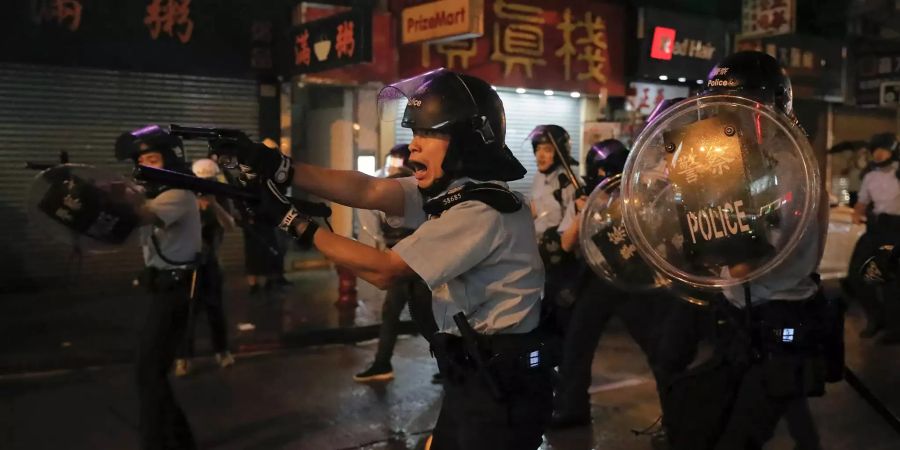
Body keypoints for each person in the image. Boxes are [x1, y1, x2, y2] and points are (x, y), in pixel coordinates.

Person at [227, 69, 552, 449]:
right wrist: (280, 167)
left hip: (501, 394)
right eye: (415, 132)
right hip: (474, 380)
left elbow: (384, 271)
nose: (414, 145)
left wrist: (293, 223)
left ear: (467, 141)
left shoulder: (482, 209)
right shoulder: (457, 193)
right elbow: (368, 188)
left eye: (430, 133)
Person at [657, 51, 837, 450]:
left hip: (778, 316)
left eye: (739, 107)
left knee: (739, 433)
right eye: (720, 107)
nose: (727, 117)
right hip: (743, 318)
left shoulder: (786, 167)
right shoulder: (747, 160)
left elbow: (739, 263)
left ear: (769, 107)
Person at [115, 125, 201, 450]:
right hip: (161, 289)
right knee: (152, 372)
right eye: (143, 161)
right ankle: (181, 441)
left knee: (148, 372)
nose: (148, 165)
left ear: (169, 159)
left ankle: (156, 443)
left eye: (153, 158)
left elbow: (138, 216)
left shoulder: (177, 194)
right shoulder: (156, 194)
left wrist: (109, 194)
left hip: (175, 291)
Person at [354, 144, 437, 382]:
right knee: (391, 313)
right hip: (398, 263)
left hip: (420, 267)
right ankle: (382, 363)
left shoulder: (425, 195)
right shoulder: (391, 197)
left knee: (430, 318)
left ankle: (450, 364)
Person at [174, 158, 237, 377]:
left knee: (215, 309)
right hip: (187, 261)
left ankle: (222, 350)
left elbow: (230, 225)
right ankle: (183, 356)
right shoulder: (184, 197)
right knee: (187, 311)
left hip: (210, 261)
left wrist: (214, 205)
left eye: (209, 180)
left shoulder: (219, 197)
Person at [528, 124, 579, 339]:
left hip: (562, 262)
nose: (541, 155)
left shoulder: (568, 182)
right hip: (540, 259)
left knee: (562, 316)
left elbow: (573, 226)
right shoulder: (539, 178)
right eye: (538, 148)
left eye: (548, 149)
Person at [848, 132, 900, 343]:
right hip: (875, 229)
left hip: (896, 229)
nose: (878, 154)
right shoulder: (869, 176)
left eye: (882, 149)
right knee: (857, 274)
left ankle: (894, 328)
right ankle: (875, 318)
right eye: (874, 150)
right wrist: (857, 213)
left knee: (891, 282)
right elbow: (861, 202)